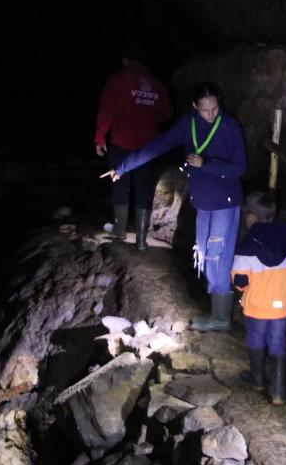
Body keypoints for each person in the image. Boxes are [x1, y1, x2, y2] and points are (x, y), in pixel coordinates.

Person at [101, 81, 246, 330]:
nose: (211, 115)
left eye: (215, 109)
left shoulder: (230, 126)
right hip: (203, 200)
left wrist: (206, 165)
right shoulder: (188, 124)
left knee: (217, 256)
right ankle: (216, 311)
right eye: (205, 110)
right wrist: (123, 167)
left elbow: (240, 168)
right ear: (194, 107)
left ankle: (220, 318)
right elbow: (157, 146)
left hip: (225, 201)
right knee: (203, 253)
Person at [94, 48, 172, 250]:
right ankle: (141, 241)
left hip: (121, 142)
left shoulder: (118, 80)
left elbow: (106, 110)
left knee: (119, 184)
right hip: (147, 146)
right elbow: (166, 114)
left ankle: (119, 230)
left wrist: (100, 137)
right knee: (143, 188)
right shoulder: (157, 85)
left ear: (126, 59)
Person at [231, 191, 286, 405]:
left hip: (257, 304)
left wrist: (240, 287)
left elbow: (241, 280)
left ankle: (257, 379)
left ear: (251, 216)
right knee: (278, 342)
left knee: (256, 338)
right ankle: (278, 391)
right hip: (281, 305)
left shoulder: (249, 243)